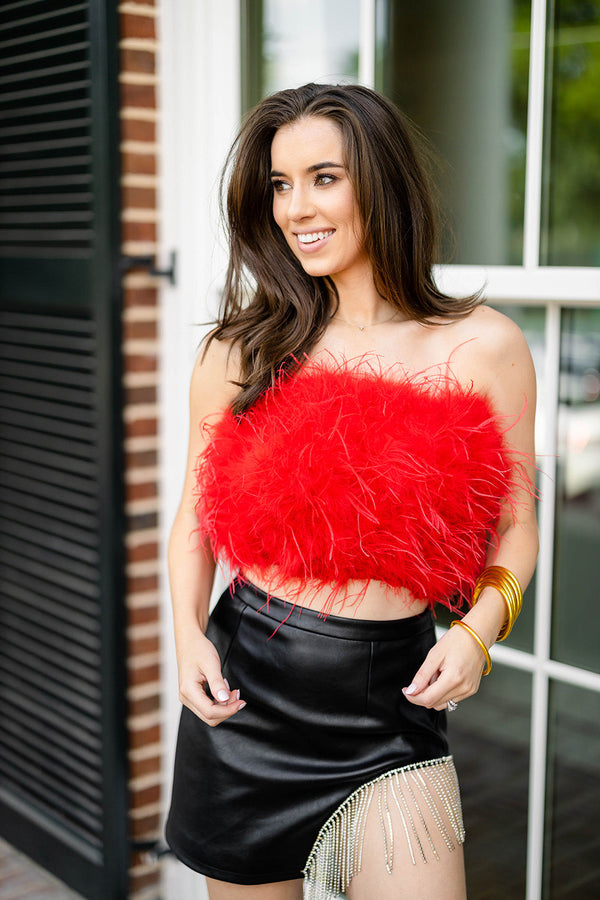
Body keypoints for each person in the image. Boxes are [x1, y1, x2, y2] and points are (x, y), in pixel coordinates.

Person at [166, 83, 538, 900]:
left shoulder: (485, 346)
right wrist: (189, 638)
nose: (297, 207)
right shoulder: (242, 350)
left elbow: (518, 527)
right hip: (245, 697)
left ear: (381, 182)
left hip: (389, 711)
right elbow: (196, 518)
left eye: (324, 177)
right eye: (279, 184)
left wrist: (479, 632)